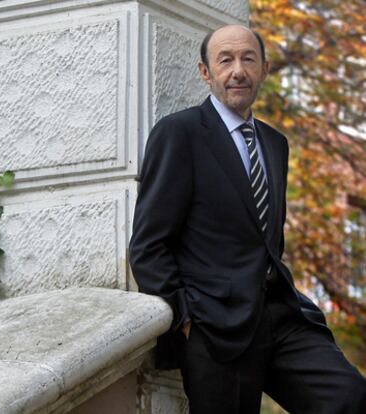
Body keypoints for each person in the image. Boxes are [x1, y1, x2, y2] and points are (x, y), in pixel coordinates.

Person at [129, 25, 366, 414]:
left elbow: (268, 238)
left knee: (348, 397)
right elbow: (148, 245)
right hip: (213, 327)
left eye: (248, 59)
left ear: (265, 69)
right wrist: (187, 319)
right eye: (225, 60)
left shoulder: (275, 144)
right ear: (206, 72)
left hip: (280, 315)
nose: (237, 70)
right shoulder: (180, 133)